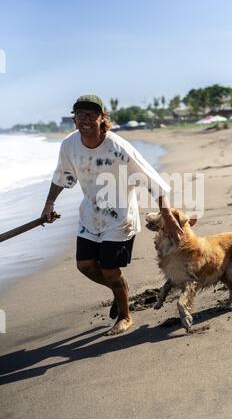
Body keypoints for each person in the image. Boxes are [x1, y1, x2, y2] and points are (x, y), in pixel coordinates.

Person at [41, 95, 183, 335]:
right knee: (85, 265)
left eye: (92, 114)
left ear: (102, 118)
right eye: (81, 114)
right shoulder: (69, 145)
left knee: (109, 268)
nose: (86, 119)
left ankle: (125, 316)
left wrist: (167, 217)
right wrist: (48, 203)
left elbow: (153, 181)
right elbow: (63, 176)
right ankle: (120, 290)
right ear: (74, 118)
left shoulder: (119, 148)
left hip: (120, 218)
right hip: (90, 215)